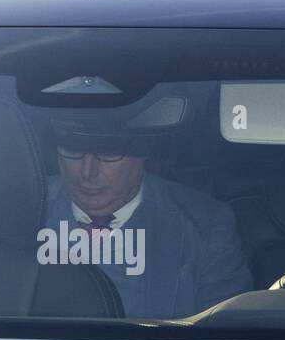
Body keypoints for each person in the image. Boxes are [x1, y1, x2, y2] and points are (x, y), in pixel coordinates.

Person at [44, 130, 252, 318]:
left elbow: (227, 337)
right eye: (72, 150)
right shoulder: (18, 208)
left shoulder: (206, 224)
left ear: (143, 152)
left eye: (108, 153)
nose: (88, 172)